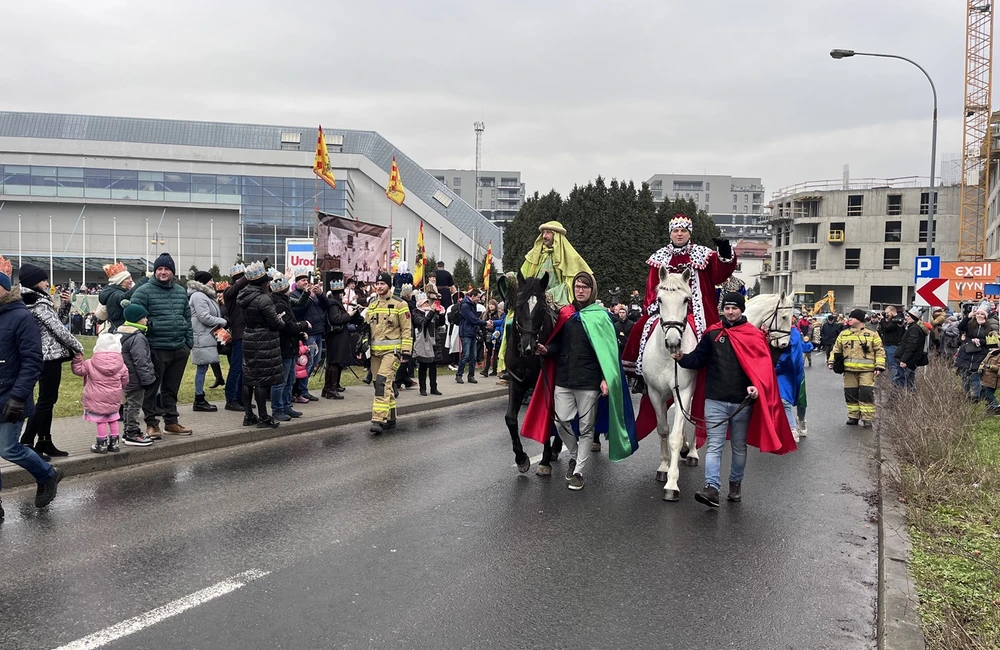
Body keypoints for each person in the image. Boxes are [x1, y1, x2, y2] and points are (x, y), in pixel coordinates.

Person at [673, 292, 795, 507]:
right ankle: (712, 488)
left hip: (742, 402)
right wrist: (683, 358)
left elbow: (761, 369)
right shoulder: (712, 334)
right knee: (714, 446)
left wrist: (756, 387)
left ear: (741, 309)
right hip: (715, 400)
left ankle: (735, 484)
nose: (730, 311)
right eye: (727, 308)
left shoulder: (754, 335)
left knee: (739, 447)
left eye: (734, 308)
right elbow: (698, 359)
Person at [523, 272, 637, 490]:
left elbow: (609, 352)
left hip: (588, 382)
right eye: (577, 286)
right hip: (564, 379)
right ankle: (575, 455)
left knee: (586, 428)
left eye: (585, 286)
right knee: (560, 421)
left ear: (591, 290)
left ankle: (578, 472)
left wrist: (605, 378)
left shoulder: (601, 317)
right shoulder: (565, 314)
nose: (580, 289)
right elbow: (558, 344)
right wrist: (547, 350)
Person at [621, 214, 737, 386]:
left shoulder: (703, 254)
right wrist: (655, 306)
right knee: (640, 328)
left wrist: (725, 253)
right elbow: (652, 286)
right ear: (670, 234)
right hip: (666, 309)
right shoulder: (659, 257)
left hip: (698, 311)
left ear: (689, 233)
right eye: (676, 231)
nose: (679, 234)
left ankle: (717, 374)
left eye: (683, 230)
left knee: (714, 337)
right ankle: (638, 374)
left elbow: (719, 274)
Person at [0, 258, 63, 519]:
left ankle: (47, 475)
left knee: (8, 449)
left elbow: (32, 360)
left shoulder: (21, 317)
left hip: (11, 396)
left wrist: (18, 396)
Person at [18, 263, 84, 458]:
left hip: (39, 355)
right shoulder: (38, 302)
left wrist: (66, 305)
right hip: (48, 357)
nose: (47, 283)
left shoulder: (31, 300)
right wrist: (78, 347)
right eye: (44, 280)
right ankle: (28, 441)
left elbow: (55, 320)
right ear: (34, 282)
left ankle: (44, 441)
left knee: (47, 400)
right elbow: (58, 329)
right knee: (46, 401)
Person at [130, 253, 194, 438]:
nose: (163, 272)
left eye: (166, 269)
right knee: (151, 388)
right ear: (155, 272)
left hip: (179, 347)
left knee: (171, 388)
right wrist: (152, 329)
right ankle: (151, 424)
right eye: (159, 269)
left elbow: (187, 318)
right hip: (156, 347)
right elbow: (135, 318)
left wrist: (188, 343)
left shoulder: (180, 291)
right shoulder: (143, 291)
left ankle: (171, 422)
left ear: (172, 272)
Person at [237, 262, 287, 428]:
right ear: (264, 282)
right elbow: (275, 323)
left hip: (249, 336)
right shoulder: (263, 298)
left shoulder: (243, 296)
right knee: (261, 380)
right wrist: (281, 321)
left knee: (248, 378)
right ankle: (264, 417)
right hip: (264, 339)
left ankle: (248, 415)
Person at [364, 272, 412, 434]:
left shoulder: (400, 304)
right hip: (375, 353)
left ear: (388, 285)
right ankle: (390, 417)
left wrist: (406, 351)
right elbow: (366, 329)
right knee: (380, 383)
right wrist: (362, 346)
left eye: (382, 284)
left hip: (392, 352)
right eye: (377, 284)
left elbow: (406, 329)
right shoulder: (372, 304)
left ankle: (378, 419)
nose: (379, 287)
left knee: (382, 383)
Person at [71, 332, 130, 454]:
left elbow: (78, 370)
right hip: (114, 397)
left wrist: (77, 358)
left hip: (96, 397)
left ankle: (101, 444)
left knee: (101, 421)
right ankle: (114, 443)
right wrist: (119, 387)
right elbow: (125, 380)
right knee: (113, 419)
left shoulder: (90, 363)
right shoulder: (121, 365)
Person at [829, 309, 885, 427]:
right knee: (850, 394)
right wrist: (831, 362)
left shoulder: (872, 334)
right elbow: (836, 349)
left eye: (852, 318)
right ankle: (853, 417)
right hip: (849, 371)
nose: (849, 319)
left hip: (867, 371)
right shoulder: (844, 334)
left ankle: (867, 418)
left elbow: (879, 351)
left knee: (866, 394)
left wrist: (879, 367)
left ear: (859, 320)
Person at [519, 221, 593, 309]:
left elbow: (571, 284)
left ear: (556, 235)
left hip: (558, 301)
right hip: (533, 298)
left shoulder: (570, 256)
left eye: (548, 232)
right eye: (543, 232)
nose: (544, 236)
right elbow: (524, 275)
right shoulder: (535, 254)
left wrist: (551, 293)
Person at [269, 273, 310, 421]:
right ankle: (277, 409)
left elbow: (299, 304)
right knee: (280, 381)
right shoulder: (279, 304)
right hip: (283, 347)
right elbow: (287, 326)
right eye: (287, 286)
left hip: (290, 346)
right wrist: (304, 325)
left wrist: (299, 334)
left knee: (290, 380)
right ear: (283, 289)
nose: (289, 288)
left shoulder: (285, 301)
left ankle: (286, 406)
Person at [187, 271, 227, 413]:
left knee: (203, 368)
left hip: (206, 336)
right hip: (201, 336)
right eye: (210, 280)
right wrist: (222, 322)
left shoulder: (205, 296)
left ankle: (200, 397)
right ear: (203, 282)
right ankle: (199, 398)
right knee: (202, 368)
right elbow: (204, 317)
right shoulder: (198, 296)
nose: (212, 283)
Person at [118, 303, 156, 447]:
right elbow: (141, 360)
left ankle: (128, 431)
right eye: (144, 317)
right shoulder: (137, 337)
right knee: (134, 405)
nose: (146, 320)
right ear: (137, 319)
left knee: (128, 405)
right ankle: (132, 433)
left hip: (125, 378)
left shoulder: (121, 333)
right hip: (136, 379)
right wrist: (147, 380)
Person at [290, 270, 328, 403]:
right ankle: (301, 390)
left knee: (315, 362)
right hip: (308, 333)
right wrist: (309, 296)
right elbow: (299, 311)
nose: (306, 282)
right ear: (296, 283)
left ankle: (302, 389)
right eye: (302, 280)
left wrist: (320, 294)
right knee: (306, 362)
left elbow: (326, 306)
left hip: (318, 331)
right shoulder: (294, 295)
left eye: (306, 280)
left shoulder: (313, 294)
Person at [774, 321, 812, 442]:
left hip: (793, 371)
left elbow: (793, 355)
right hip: (779, 371)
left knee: (801, 400)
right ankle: (791, 428)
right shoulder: (770, 331)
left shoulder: (794, 333)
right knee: (783, 400)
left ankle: (801, 420)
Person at [955, 305, 998, 401]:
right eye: (978, 313)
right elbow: (960, 326)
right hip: (966, 354)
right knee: (964, 377)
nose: (979, 315)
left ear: (985, 316)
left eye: (982, 314)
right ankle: (966, 396)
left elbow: (992, 344)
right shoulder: (970, 325)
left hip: (979, 355)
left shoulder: (989, 328)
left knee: (975, 377)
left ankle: (975, 398)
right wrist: (968, 317)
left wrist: (980, 341)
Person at [322, 280, 355, 400]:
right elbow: (336, 319)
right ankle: (331, 388)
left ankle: (329, 387)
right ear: (339, 294)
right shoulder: (333, 304)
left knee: (335, 361)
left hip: (338, 335)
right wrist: (349, 315)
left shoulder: (333, 303)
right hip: (336, 335)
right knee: (334, 361)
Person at [223, 263, 248, 411]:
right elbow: (237, 286)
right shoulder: (229, 292)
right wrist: (247, 276)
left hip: (246, 334)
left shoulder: (242, 292)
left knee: (245, 369)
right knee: (236, 368)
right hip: (239, 334)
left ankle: (240, 397)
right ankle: (230, 399)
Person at [455, 289, 491, 384]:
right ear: (473, 296)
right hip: (466, 332)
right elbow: (472, 319)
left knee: (473, 356)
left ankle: (471, 375)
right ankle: (459, 375)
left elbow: (474, 319)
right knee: (466, 355)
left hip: (472, 332)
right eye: (478, 297)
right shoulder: (465, 306)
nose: (479, 299)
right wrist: (485, 323)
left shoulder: (472, 305)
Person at [412, 293, 443, 396]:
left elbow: (439, 324)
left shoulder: (431, 312)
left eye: (427, 303)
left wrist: (442, 314)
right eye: (425, 303)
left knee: (433, 367)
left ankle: (434, 387)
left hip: (433, 342)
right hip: (423, 343)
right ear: (420, 305)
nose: (427, 304)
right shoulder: (416, 313)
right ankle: (423, 388)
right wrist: (432, 311)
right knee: (423, 366)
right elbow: (424, 323)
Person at [896, 307, 930, 391]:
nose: (906, 318)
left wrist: (904, 360)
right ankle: (909, 399)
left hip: (908, 361)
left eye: (908, 316)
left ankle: (898, 399)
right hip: (911, 360)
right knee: (909, 381)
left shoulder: (914, 329)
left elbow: (911, 346)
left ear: (913, 318)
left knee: (903, 381)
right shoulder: (914, 328)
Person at [877, 305, 904, 382]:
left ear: (892, 312)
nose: (886, 315)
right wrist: (882, 321)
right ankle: (891, 383)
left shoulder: (897, 320)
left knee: (893, 366)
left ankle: (895, 384)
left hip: (893, 346)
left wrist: (883, 320)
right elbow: (883, 330)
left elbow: (887, 328)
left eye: (887, 313)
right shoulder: (891, 320)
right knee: (889, 366)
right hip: (887, 345)